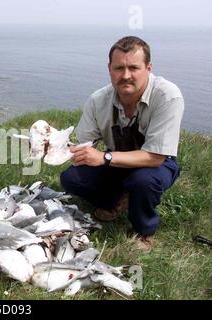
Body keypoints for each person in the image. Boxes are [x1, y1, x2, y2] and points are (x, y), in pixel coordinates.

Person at [60, 36, 184, 251]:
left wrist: (104, 157)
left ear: (148, 67)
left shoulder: (167, 96)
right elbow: (84, 143)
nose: (126, 76)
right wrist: (55, 146)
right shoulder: (98, 100)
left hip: (157, 163)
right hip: (115, 161)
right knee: (70, 178)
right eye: (119, 68)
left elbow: (156, 157)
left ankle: (143, 230)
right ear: (109, 69)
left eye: (134, 68)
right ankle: (115, 201)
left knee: (143, 181)